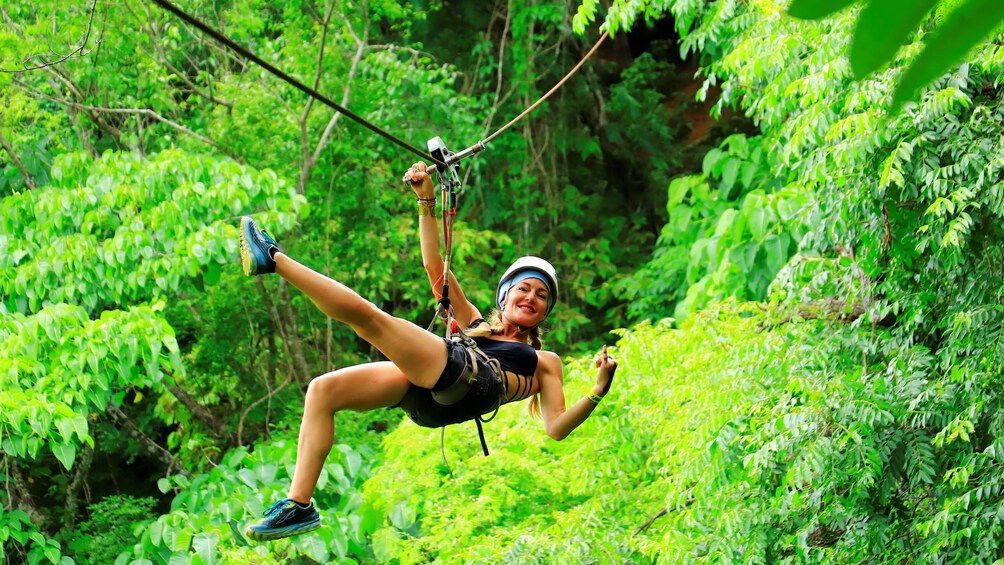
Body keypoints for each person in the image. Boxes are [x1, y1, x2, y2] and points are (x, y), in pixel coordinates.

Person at [241, 162, 618, 541]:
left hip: (469, 380)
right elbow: (434, 265)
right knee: (323, 391)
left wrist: (597, 390)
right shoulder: (473, 322)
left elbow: (556, 428)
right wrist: (426, 202)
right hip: (431, 400)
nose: (531, 298)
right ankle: (299, 505)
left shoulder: (545, 361)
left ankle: (273, 259)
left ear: (545, 313)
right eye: (524, 289)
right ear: (505, 297)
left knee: (371, 320)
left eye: (541, 296)